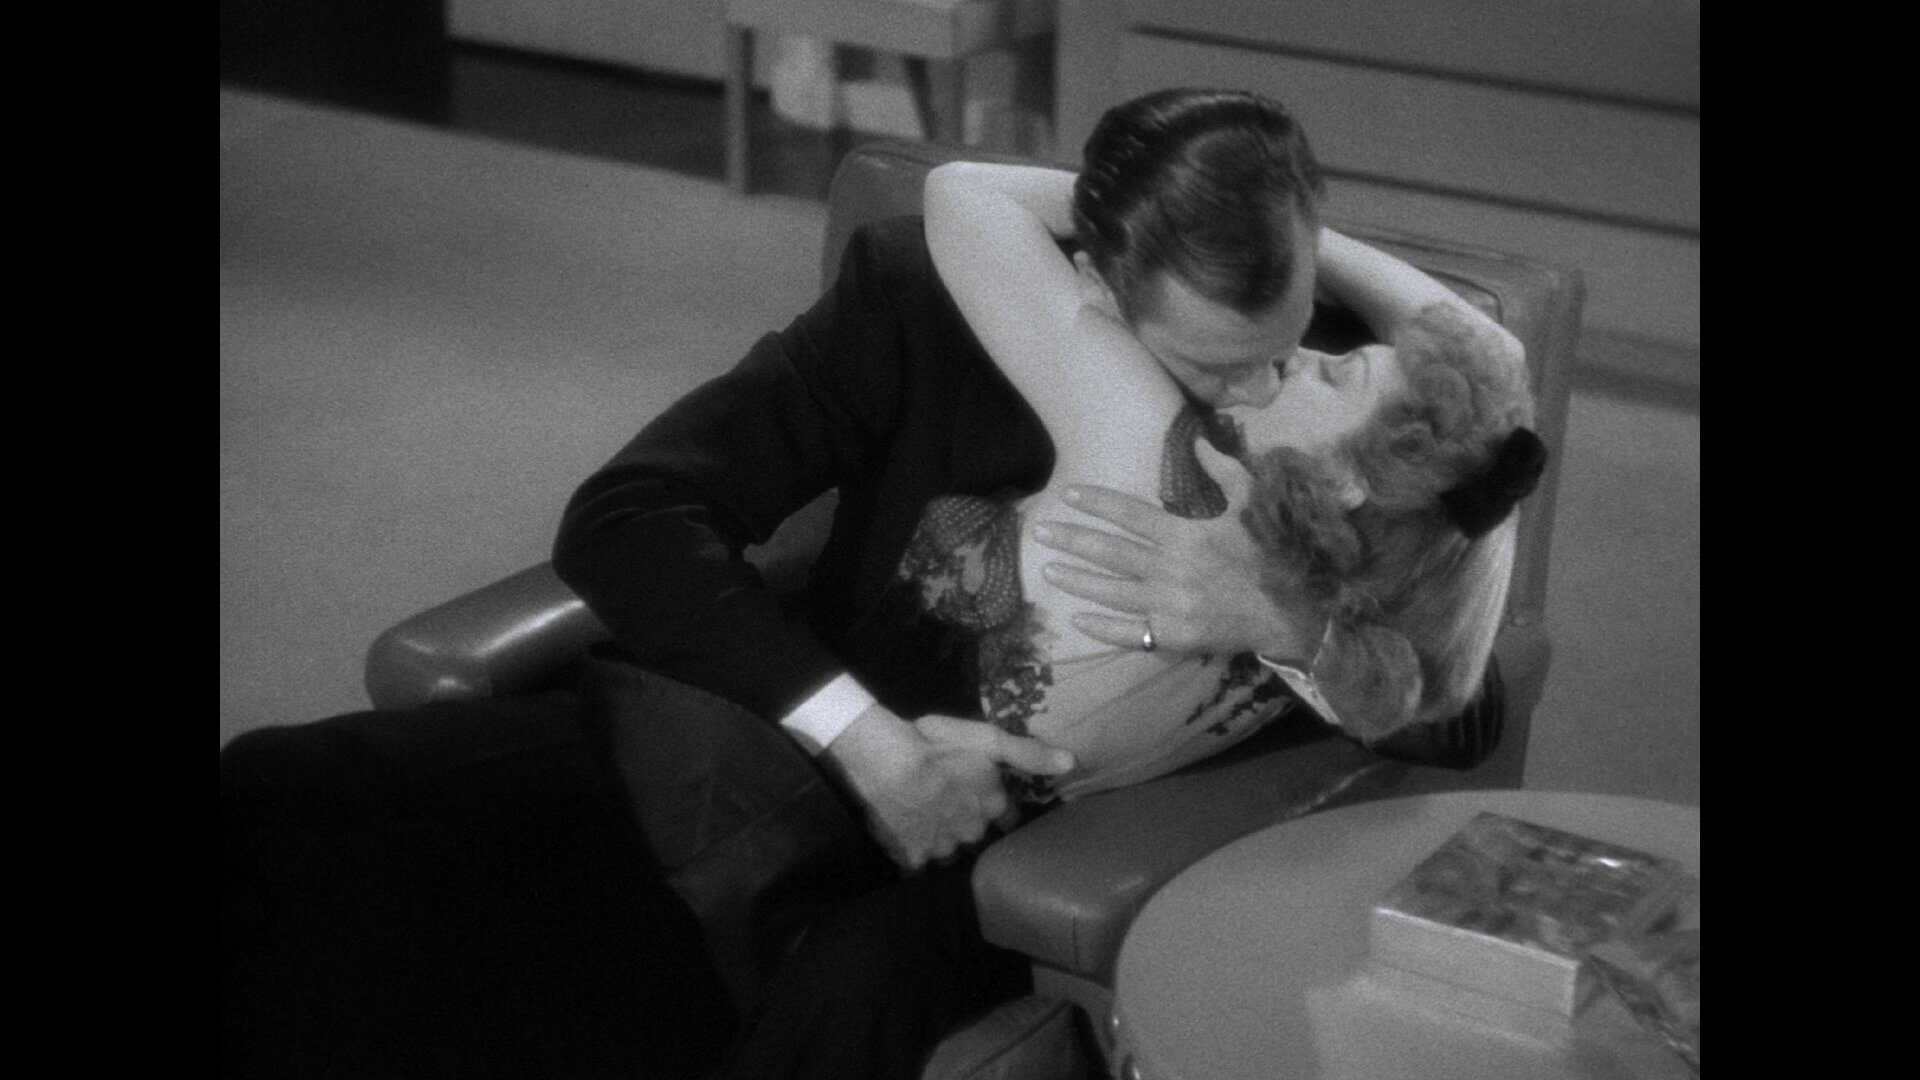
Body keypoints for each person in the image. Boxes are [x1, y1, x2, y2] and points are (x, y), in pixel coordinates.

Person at [220, 87, 1518, 1080]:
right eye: (1208, 363)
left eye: (1277, 346)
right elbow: (628, 519)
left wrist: (1276, 616)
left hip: (997, 851)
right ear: (1090, 275)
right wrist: (862, 737)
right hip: (771, 740)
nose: (1252, 392)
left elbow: (1465, 713)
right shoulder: (921, 299)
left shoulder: (1357, 404)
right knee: (289, 796)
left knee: (798, 1001)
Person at [912, 153, 1543, 801]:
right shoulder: (1353, 592)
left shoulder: (1146, 439)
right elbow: (1494, 352)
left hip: (897, 763)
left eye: (1335, 372)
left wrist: (1209, 219)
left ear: (1344, 482)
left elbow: (963, 192)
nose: (1297, 350)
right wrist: (1288, 240)